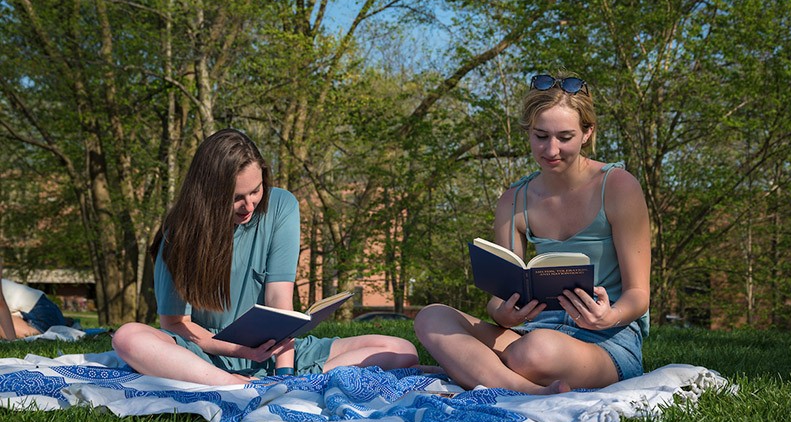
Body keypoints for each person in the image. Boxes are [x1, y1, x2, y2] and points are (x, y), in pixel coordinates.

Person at [112, 129, 419, 385]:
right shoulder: (178, 232)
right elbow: (176, 324)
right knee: (127, 338)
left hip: (275, 347)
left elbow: (279, 301)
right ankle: (237, 386)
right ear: (208, 196)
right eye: (235, 198)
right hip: (204, 351)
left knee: (401, 350)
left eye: (256, 191)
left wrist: (284, 372)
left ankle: (290, 382)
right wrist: (239, 351)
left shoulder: (281, 206)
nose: (249, 205)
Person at [414, 73, 651, 394]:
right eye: (541, 136)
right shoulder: (514, 200)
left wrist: (609, 316)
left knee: (533, 353)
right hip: (530, 334)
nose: (551, 149)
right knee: (431, 318)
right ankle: (533, 392)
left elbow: (638, 295)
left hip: (606, 341)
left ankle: (477, 370)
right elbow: (498, 301)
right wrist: (506, 314)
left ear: (587, 133)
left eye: (565, 137)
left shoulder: (619, 186)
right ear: (528, 132)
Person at [1, 260, 69, 340]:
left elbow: (1, 304)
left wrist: (11, 341)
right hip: (49, 310)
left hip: (39, 313)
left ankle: (38, 333)